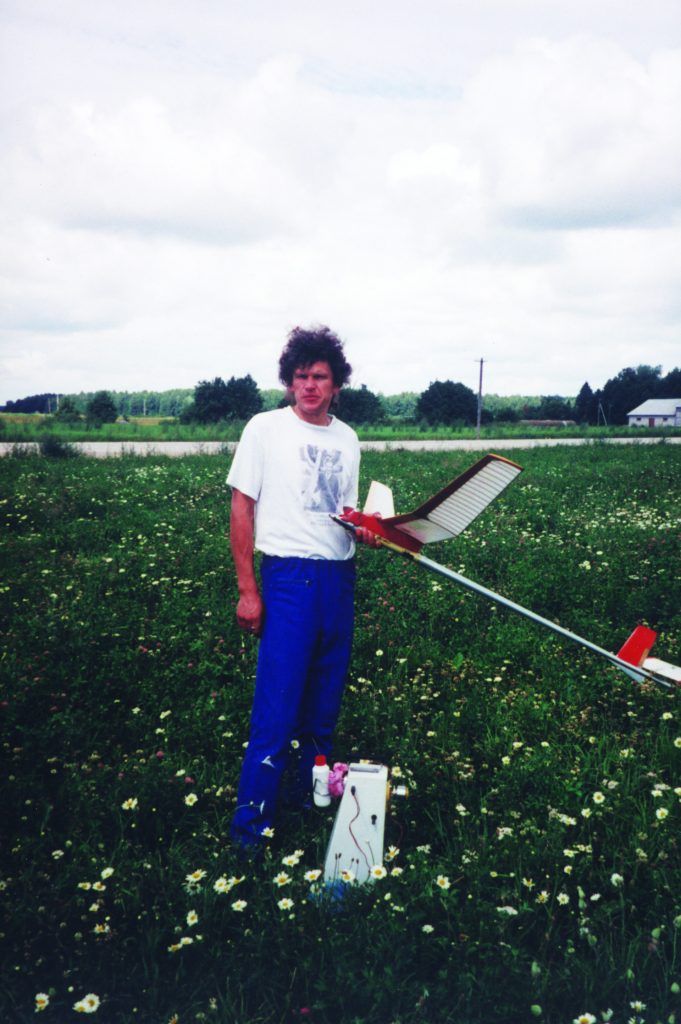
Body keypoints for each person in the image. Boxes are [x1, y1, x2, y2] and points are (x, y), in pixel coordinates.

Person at [227, 325, 378, 850]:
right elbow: (242, 507)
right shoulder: (264, 428)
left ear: (337, 385)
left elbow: (345, 512)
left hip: (339, 578)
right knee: (278, 708)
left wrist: (366, 529)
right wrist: (250, 590)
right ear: (289, 382)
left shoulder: (348, 438)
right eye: (301, 377)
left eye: (320, 377)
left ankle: (310, 802)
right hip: (288, 578)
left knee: (323, 708)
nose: (310, 385)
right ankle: (251, 830)